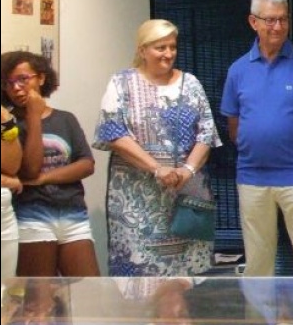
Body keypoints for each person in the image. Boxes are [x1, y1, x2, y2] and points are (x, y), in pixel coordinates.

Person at [93, 19, 223, 277]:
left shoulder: (191, 83)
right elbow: (113, 133)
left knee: (187, 274)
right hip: (136, 199)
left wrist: (187, 170)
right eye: (160, 47)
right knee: (141, 271)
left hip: (185, 196)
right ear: (142, 50)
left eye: (172, 47)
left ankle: (185, 319)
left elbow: (206, 133)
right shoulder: (121, 83)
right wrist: (157, 168)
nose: (168, 54)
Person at [221, 0, 293, 278]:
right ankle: (259, 324)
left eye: (283, 20)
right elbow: (234, 127)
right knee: (257, 264)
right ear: (253, 22)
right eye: (270, 20)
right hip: (252, 178)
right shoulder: (237, 71)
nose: (278, 27)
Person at [1, 51, 100, 277]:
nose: (16, 88)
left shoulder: (65, 119)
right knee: (39, 303)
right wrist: (34, 118)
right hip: (31, 215)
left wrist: (43, 179)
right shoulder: (9, 124)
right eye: (8, 83)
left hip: (73, 213)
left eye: (23, 79)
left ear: (41, 78)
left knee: (89, 292)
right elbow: (29, 169)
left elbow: (86, 164)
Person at [2, 104, 22, 280]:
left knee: (3, 294)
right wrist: (5, 180)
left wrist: (5, 122)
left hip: (4, 219)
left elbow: (12, 166)